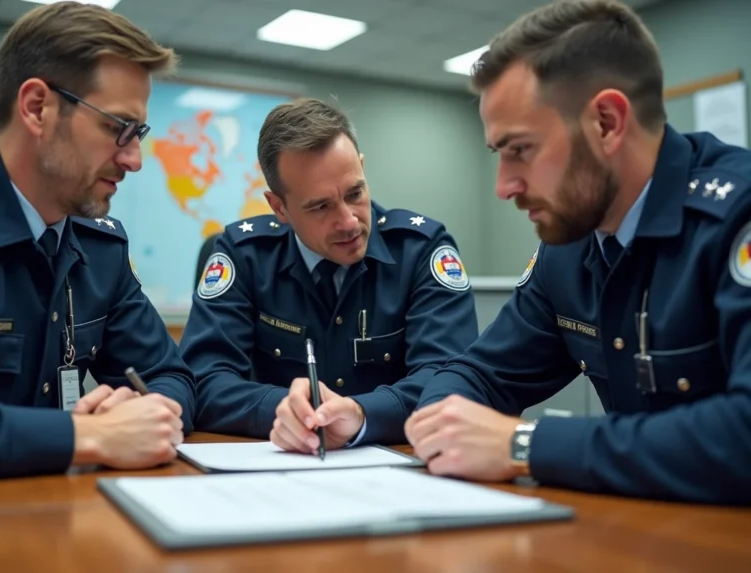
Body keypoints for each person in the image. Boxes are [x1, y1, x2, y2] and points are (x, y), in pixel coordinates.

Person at [405, 0, 751, 505]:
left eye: (520, 149)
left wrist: (523, 445)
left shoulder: (735, 218)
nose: (504, 186)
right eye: (497, 155)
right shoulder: (568, 248)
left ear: (607, 123)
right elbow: (479, 374)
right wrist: (443, 424)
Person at [0, 1, 195, 482]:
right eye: (118, 128)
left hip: (56, 521)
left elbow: (172, 376)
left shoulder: (101, 248)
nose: (134, 159)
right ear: (38, 107)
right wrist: (87, 437)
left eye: (139, 134)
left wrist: (147, 412)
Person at [179, 97, 479, 451]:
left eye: (355, 193)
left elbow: (450, 380)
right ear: (280, 207)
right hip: (278, 466)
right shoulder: (244, 255)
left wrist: (362, 414)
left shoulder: (420, 250)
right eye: (321, 206)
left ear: (363, 170)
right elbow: (203, 380)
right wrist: (286, 411)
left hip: (399, 467)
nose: (349, 221)